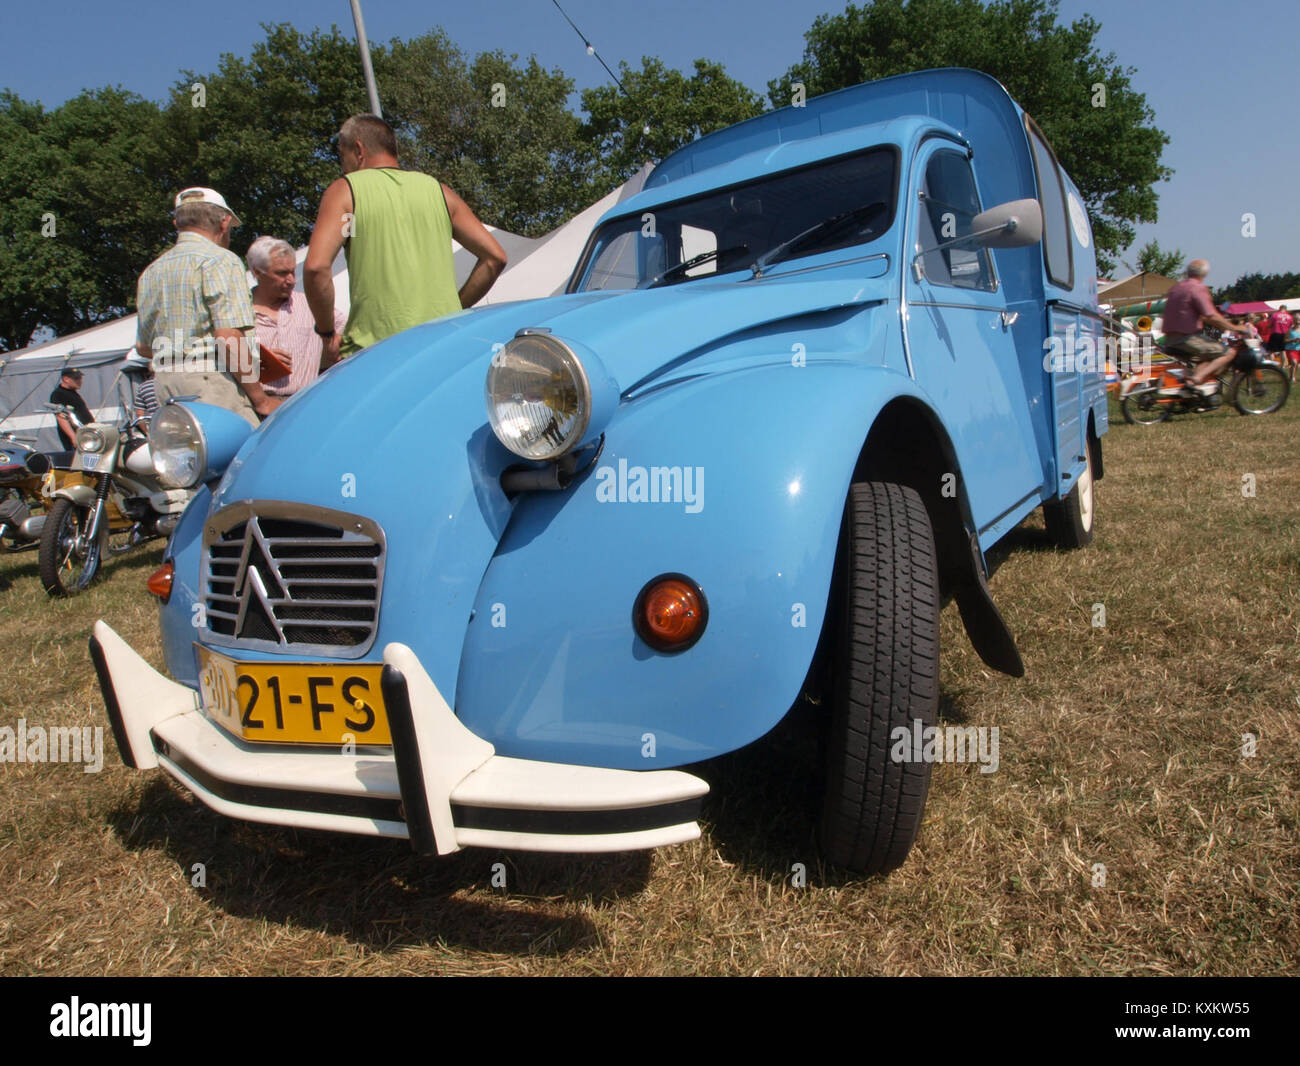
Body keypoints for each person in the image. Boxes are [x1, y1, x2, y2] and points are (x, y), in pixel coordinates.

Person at [304, 114, 508, 367]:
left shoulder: (346, 190)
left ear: (358, 149)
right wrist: (454, 308)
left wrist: (326, 334)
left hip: (376, 353)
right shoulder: (439, 192)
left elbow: (316, 268)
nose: (342, 165)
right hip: (443, 346)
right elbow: (495, 257)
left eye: (341, 154)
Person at [135, 187, 280, 427]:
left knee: (188, 460)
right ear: (224, 223)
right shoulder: (221, 260)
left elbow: (143, 346)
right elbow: (228, 337)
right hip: (211, 382)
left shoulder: (151, 272)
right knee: (244, 458)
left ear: (176, 223)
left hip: (165, 384)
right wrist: (260, 398)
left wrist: (181, 350)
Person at [248, 236, 344, 398]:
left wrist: (334, 348)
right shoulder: (237, 312)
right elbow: (208, 356)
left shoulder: (311, 305)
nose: (291, 280)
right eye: (281, 273)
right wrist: (248, 358)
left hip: (303, 404)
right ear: (257, 272)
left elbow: (349, 331)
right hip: (254, 407)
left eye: (292, 271)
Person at [1161, 260, 1254, 395]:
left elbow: (1202, 317)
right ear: (1205, 273)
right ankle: (1195, 381)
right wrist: (1235, 327)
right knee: (1229, 353)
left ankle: (1194, 393)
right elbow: (1211, 316)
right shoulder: (1197, 288)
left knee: (1206, 358)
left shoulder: (1176, 288)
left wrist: (1220, 324)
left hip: (1170, 338)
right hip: (1187, 338)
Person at [49, 368, 93, 449]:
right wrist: (73, 437)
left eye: (80, 378)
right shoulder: (58, 394)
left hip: (86, 434)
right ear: (66, 379)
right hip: (77, 437)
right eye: (76, 378)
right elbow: (61, 417)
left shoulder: (73, 393)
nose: (80, 381)